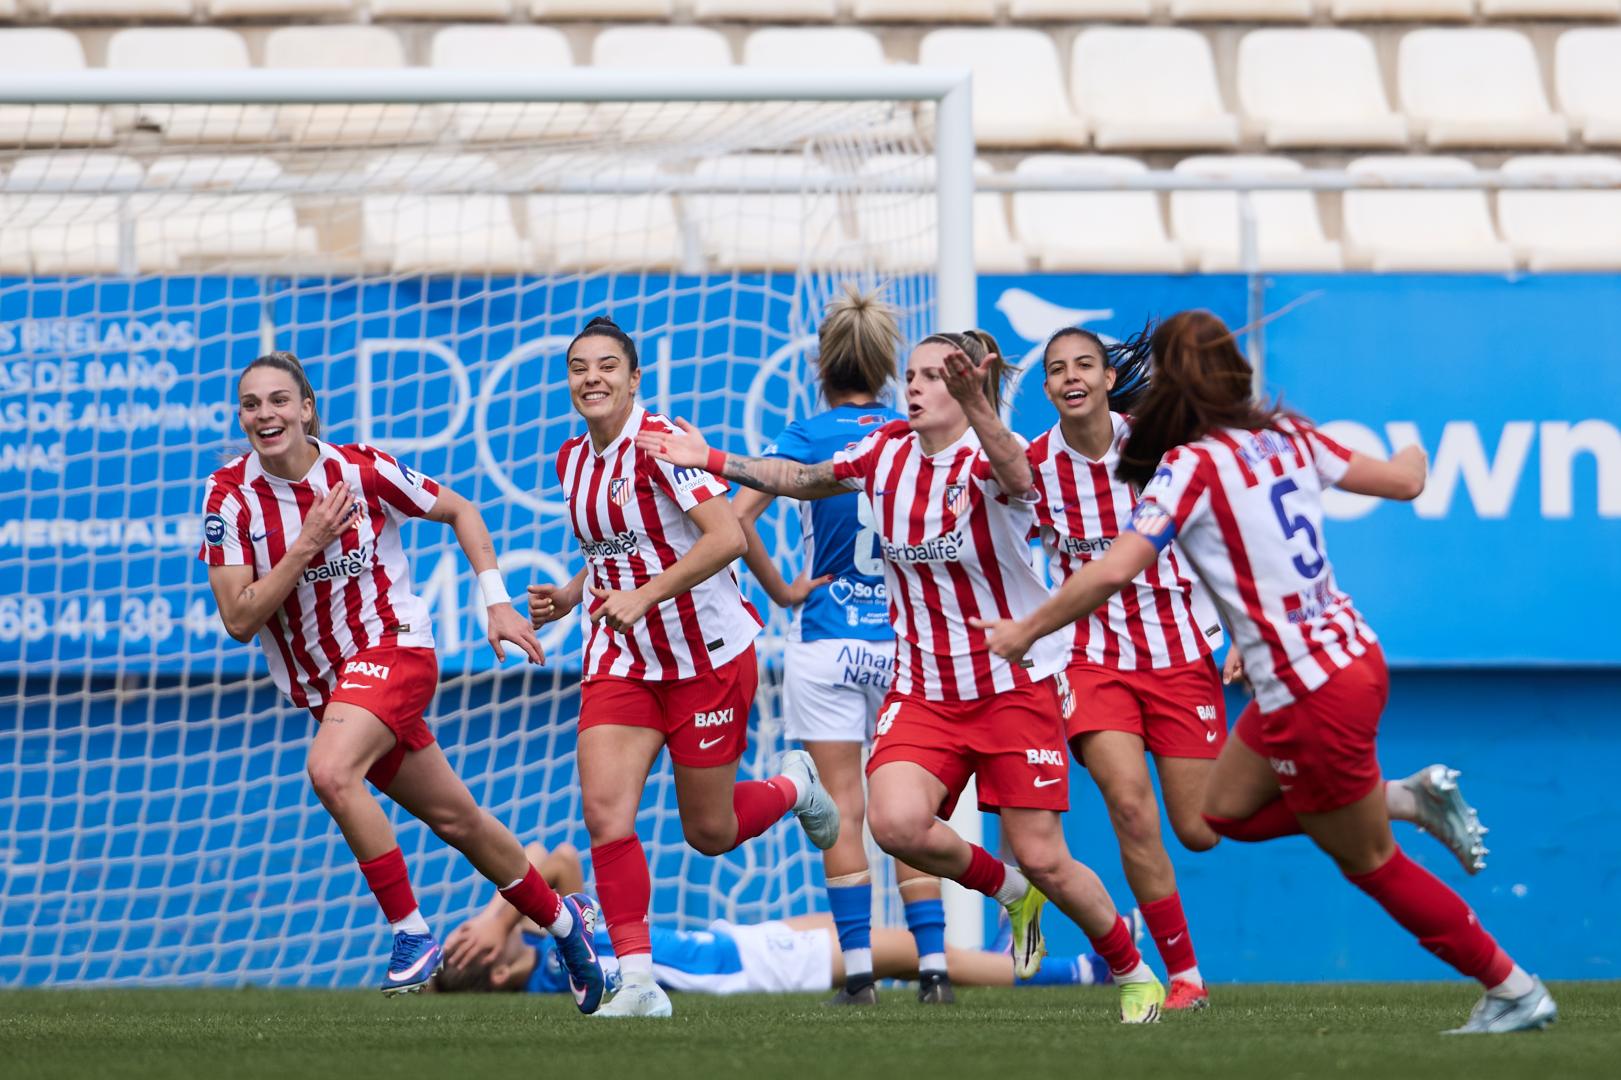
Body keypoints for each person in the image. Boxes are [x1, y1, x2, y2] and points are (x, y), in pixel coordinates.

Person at [977, 311, 1552, 1035]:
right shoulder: (1290, 433)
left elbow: (1118, 567)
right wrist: (1416, 444)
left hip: (1301, 684)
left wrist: (1026, 629)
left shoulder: (1186, 466)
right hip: (1349, 655)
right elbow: (1406, 480)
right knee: (1214, 817)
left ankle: (1511, 986)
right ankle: (1391, 808)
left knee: (1368, 861)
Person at [639, 329, 1168, 1024]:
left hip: (1012, 687)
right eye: (910, 375)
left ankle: (1130, 969)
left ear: (967, 389)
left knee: (1046, 857)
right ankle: (1010, 890)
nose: (913, 387)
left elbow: (1019, 479)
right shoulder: (883, 450)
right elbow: (800, 479)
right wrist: (709, 458)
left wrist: (981, 410)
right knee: (893, 823)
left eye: (931, 376)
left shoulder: (994, 455)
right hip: (924, 692)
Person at [197, 351, 606, 1009]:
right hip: (333, 690)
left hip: (395, 648)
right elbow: (240, 619)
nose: (265, 415)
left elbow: (462, 510)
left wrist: (496, 601)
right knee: (458, 820)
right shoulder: (228, 497)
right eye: (251, 404)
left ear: (306, 409)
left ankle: (411, 933)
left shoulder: (360, 470)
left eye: (279, 400)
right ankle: (567, 926)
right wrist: (306, 544)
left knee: (330, 772)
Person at [528, 317, 838, 1019]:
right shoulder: (571, 459)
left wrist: (645, 595)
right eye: (579, 367)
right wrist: (573, 595)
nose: (592, 378)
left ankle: (794, 785)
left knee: (710, 832)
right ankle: (638, 982)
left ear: (634, 378)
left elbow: (728, 536)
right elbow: (614, 545)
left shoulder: (662, 443)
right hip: (623, 659)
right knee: (605, 814)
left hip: (707, 659)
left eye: (607, 366)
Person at [733, 286, 953, 1006]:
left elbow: (733, 522)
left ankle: (858, 975)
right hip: (904, 648)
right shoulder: (908, 433)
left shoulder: (804, 436)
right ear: (889, 369)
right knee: (911, 811)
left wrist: (781, 589)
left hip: (826, 641)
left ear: (821, 366)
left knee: (842, 808)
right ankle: (933, 969)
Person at [1026, 325, 1229, 1010]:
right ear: (1047, 387)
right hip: (1090, 660)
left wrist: (1239, 632)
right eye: (1057, 368)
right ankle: (1184, 977)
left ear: (1109, 379)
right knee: (1130, 808)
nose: (1071, 376)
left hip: (1179, 653)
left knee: (1199, 829)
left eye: (1084, 364)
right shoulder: (1032, 467)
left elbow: (1220, 535)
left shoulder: (1163, 447)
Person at [436, 841, 1111, 997]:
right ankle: (1080, 972)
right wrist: (498, 922)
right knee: (914, 956)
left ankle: (1010, 958)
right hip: (755, 970)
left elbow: (553, 860)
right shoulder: (562, 979)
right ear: (495, 972)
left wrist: (499, 921)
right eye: (472, 942)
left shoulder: (554, 941)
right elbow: (549, 859)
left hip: (739, 944)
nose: (483, 929)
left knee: (885, 942)